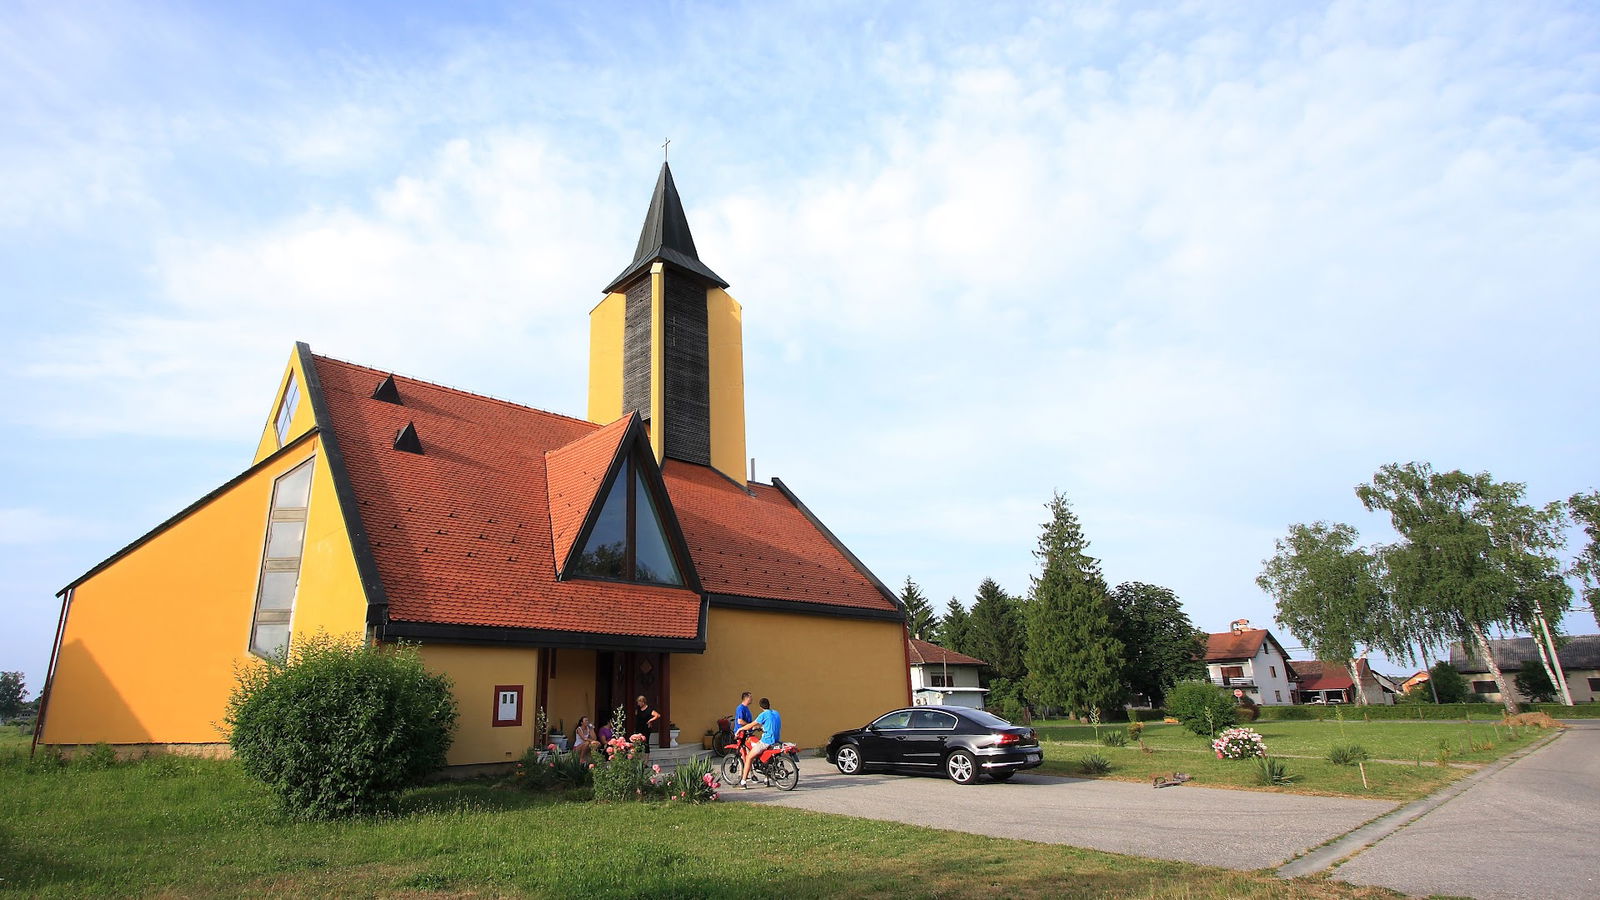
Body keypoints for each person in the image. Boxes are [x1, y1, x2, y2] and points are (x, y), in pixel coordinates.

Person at [736, 697, 782, 788]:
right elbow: (770, 724)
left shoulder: (763, 714)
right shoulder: (776, 713)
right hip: (776, 740)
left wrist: (740, 729)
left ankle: (743, 782)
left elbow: (751, 725)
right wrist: (761, 727)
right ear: (769, 704)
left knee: (749, 757)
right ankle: (766, 779)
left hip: (767, 741)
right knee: (766, 758)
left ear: (761, 707)